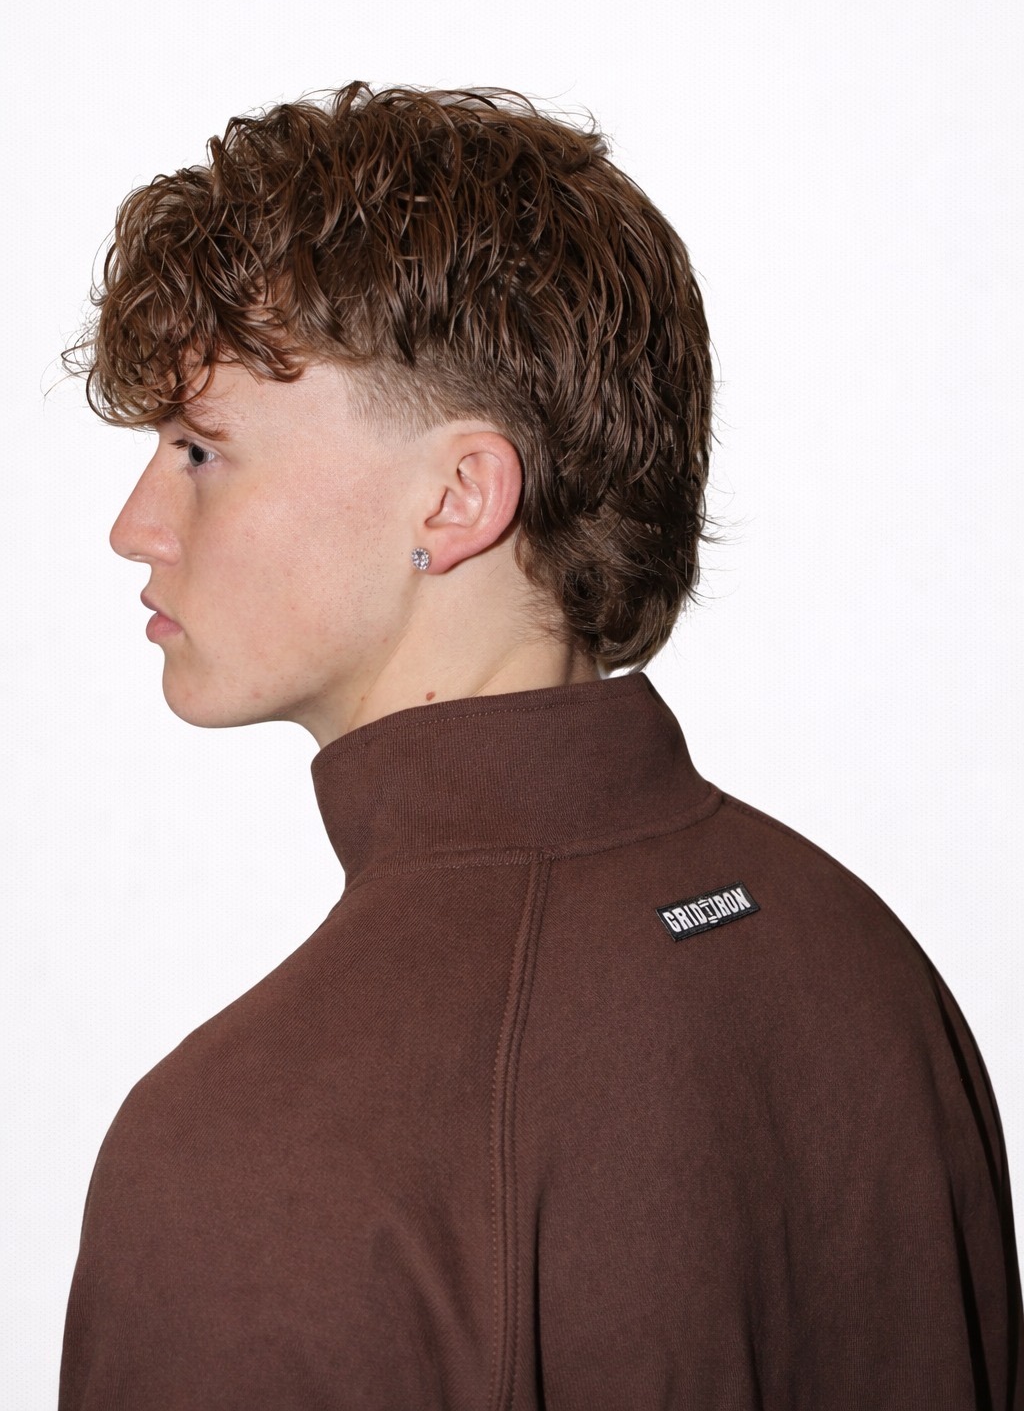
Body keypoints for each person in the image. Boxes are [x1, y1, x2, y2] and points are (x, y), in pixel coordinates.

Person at [58, 82, 1022, 1410]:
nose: (135, 525)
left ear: (458, 496)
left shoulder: (243, 1159)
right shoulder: (864, 966)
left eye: (198, 449)